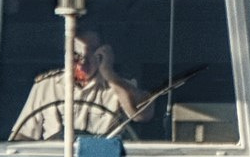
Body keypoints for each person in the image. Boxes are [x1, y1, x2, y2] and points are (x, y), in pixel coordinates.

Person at [9, 29, 159, 142]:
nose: (82, 62)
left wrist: (109, 74)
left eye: (91, 54)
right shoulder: (46, 86)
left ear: (102, 53)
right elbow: (22, 136)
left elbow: (143, 115)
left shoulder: (118, 87)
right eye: (76, 55)